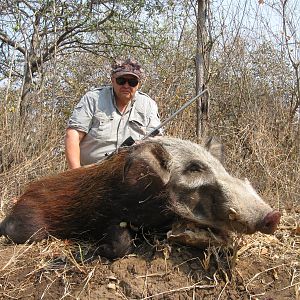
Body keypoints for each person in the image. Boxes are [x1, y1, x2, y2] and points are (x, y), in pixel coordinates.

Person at [65, 58, 162, 169]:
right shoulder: (93, 99)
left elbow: (157, 144)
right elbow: (73, 134)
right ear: (112, 80)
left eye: (132, 82)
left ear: (138, 84)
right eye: (121, 80)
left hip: (132, 174)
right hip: (91, 172)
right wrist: (76, 173)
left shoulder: (148, 105)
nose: (126, 85)